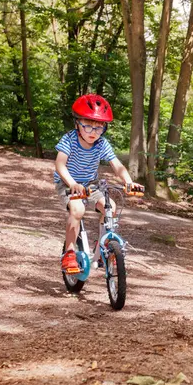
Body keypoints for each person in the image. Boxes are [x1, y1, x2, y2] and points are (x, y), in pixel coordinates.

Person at [54, 94, 144, 274]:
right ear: (77, 124)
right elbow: (60, 164)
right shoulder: (69, 139)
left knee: (111, 207)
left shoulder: (101, 144)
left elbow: (117, 166)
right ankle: (70, 252)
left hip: (91, 184)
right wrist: (72, 183)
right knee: (77, 210)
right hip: (68, 182)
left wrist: (128, 182)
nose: (93, 132)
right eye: (87, 125)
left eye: (99, 127)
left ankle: (101, 248)